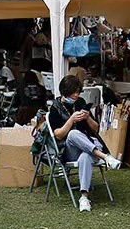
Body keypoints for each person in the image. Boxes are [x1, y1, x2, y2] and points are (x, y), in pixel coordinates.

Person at [47, 74, 119, 212]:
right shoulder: (55, 108)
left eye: (78, 92)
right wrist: (71, 120)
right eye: (73, 92)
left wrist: (87, 118)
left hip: (86, 148)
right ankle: (106, 157)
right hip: (68, 150)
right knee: (73, 134)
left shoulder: (80, 103)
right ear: (64, 91)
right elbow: (58, 135)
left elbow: (95, 128)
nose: (75, 95)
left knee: (85, 157)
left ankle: (84, 198)